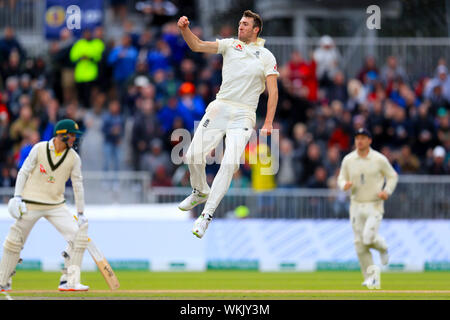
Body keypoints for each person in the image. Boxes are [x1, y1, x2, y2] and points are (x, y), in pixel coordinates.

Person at [176, 10, 279, 238]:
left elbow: (273, 92)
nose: (240, 26)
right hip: (221, 106)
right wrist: (185, 30)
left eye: (245, 24)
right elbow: (198, 45)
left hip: (244, 114)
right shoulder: (230, 45)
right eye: (240, 23)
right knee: (192, 156)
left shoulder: (266, 56)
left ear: (256, 29)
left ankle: (206, 215)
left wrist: (269, 121)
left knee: (229, 163)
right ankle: (200, 190)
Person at [0, 119, 89, 292]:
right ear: (61, 135)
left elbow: (78, 185)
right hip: (31, 202)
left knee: (78, 236)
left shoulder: (73, 158)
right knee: (13, 240)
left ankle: (69, 281)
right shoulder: (39, 149)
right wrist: (17, 197)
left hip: (56, 204)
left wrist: (81, 212)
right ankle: (3, 280)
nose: (74, 140)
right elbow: (24, 171)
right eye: (71, 136)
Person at [337, 128, 398, 288]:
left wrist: (387, 191)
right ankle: (372, 279)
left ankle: (383, 247)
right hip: (356, 205)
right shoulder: (349, 160)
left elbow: (392, 176)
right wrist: (344, 185)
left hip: (374, 204)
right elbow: (341, 177)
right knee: (359, 244)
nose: (360, 141)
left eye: (363, 138)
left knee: (368, 238)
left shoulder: (378, 159)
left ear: (370, 141)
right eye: (357, 138)